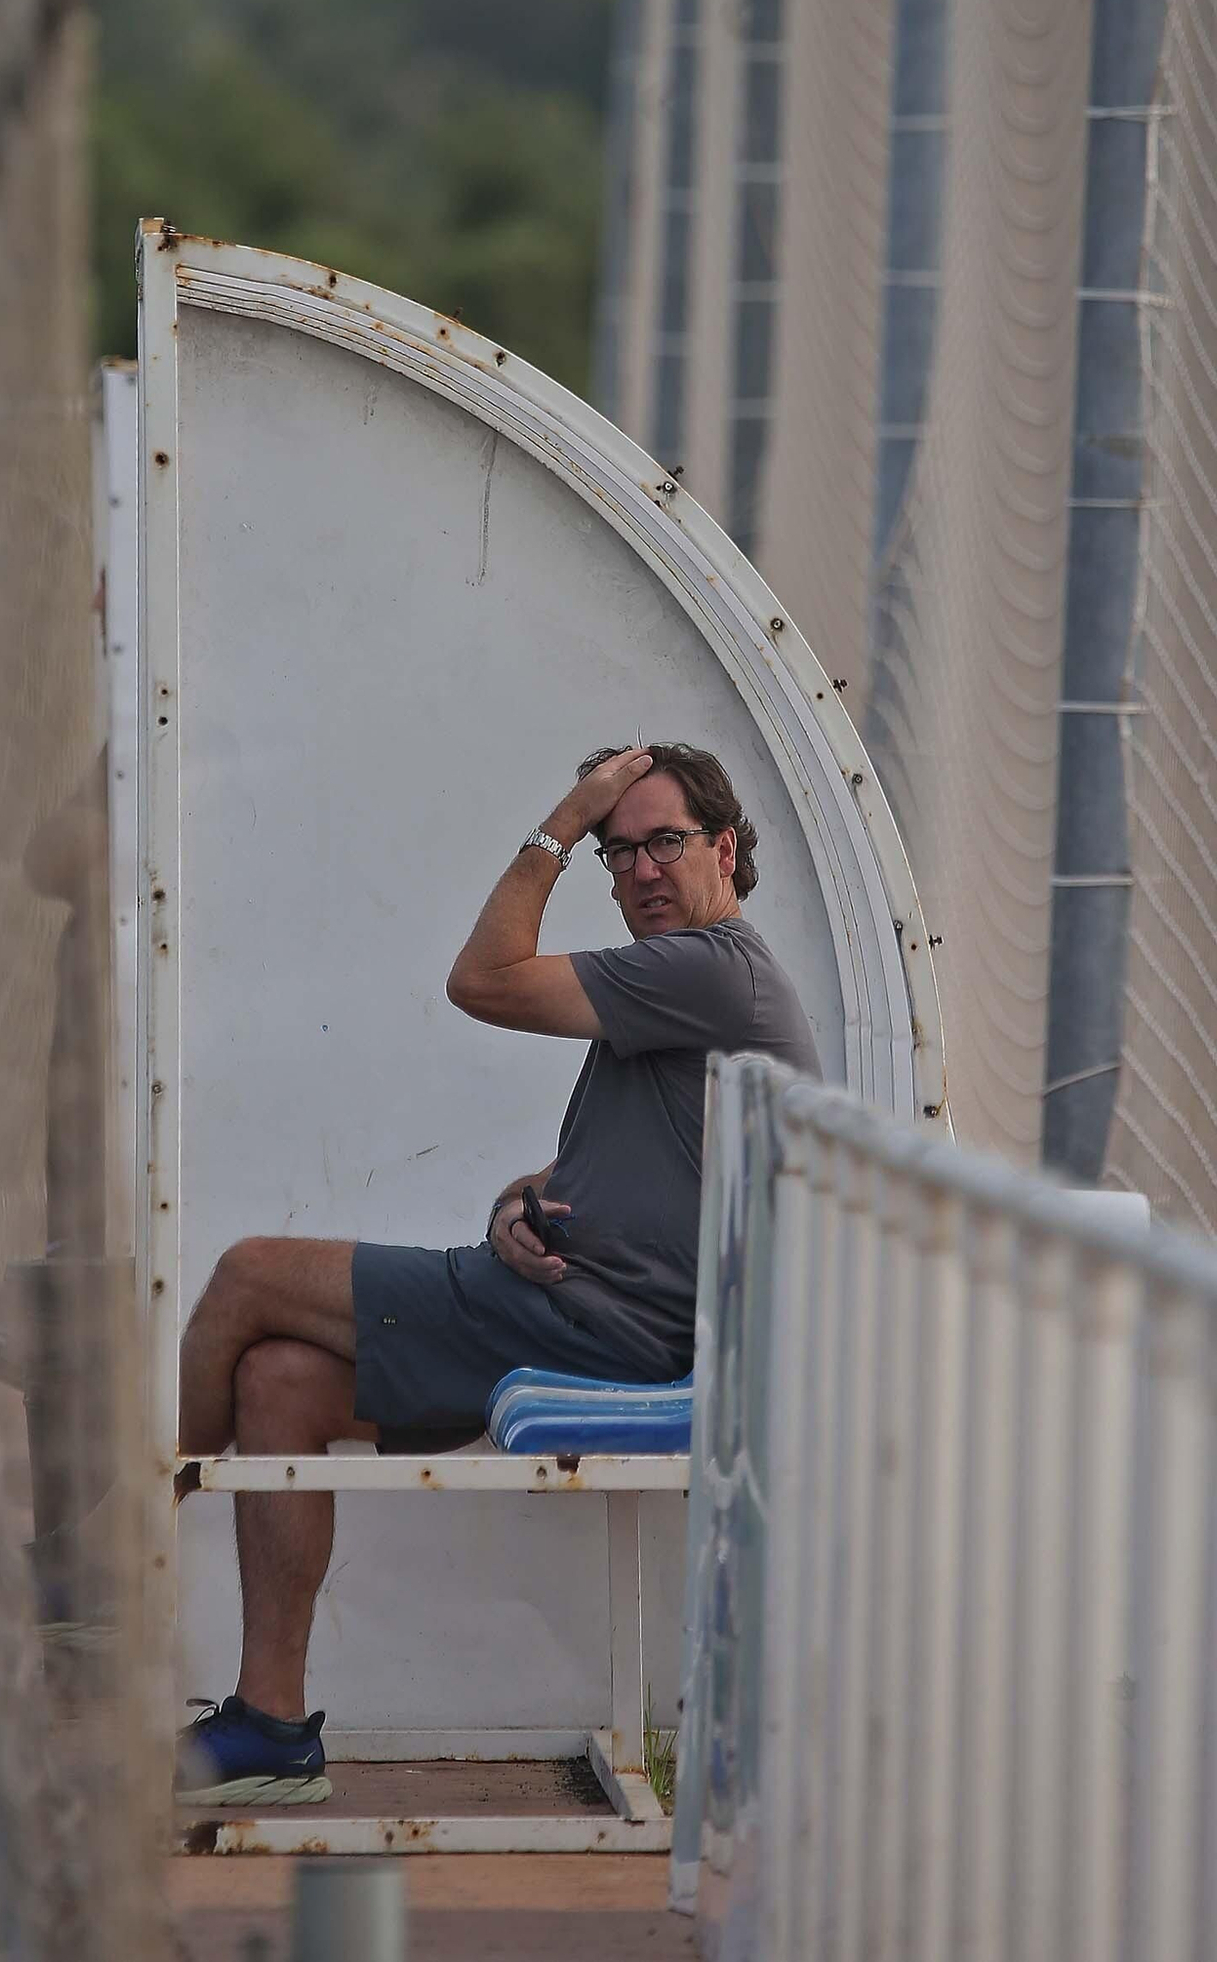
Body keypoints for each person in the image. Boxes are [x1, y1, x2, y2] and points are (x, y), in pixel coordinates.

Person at [173, 741, 819, 1805]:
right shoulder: (684, 989)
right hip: (567, 1307)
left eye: (663, 840)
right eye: (618, 850)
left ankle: (120, 1561)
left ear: (728, 846)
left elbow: (481, 979)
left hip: (601, 1333)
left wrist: (563, 818)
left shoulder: (711, 966)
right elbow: (591, 1171)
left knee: (247, 1276)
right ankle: (272, 1727)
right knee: (279, 1379)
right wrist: (514, 1206)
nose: (639, 870)